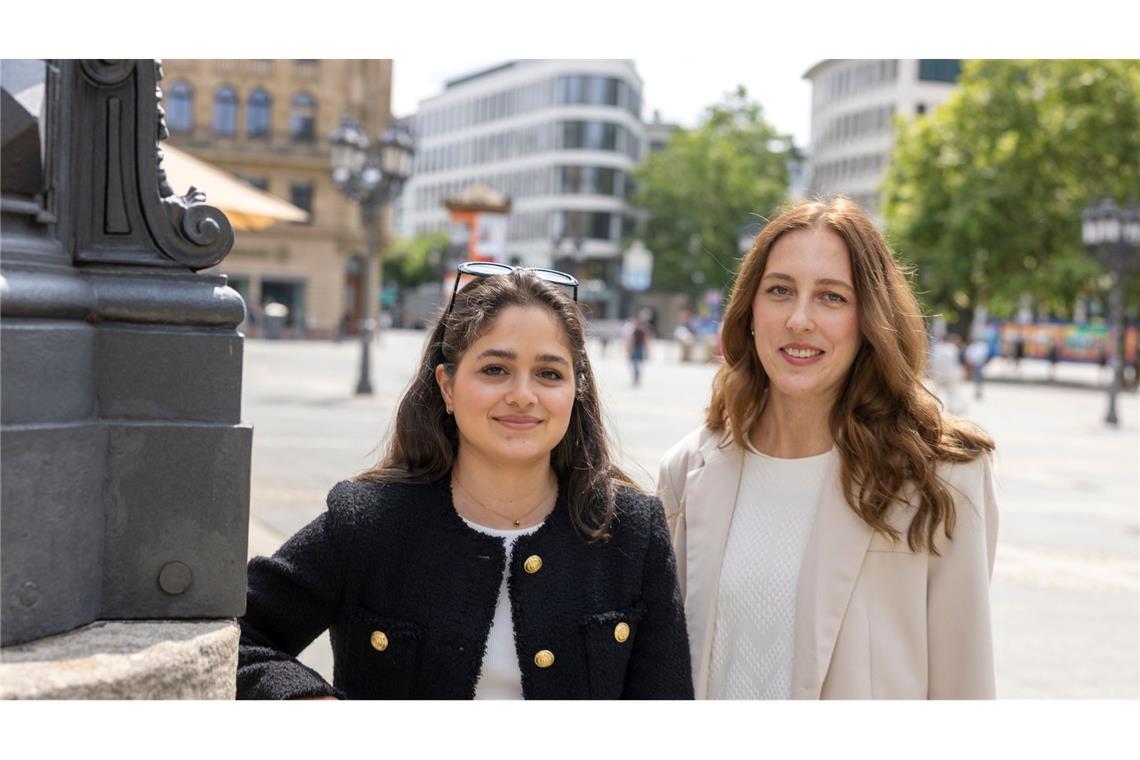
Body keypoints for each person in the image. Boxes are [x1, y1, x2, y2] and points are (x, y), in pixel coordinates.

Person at [238, 262, 693, 699]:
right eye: (495, 369)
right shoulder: (369, 523)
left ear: (576, 391)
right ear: (448, 386)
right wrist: (307, 701)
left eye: (549, 374)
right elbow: (238, 633)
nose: (522, 395)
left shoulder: (633, 530)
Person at [658, 198, 998, 700]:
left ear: (870, 320)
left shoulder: (942, 477)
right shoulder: (687, 469)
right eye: (779, 291)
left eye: (832, 297)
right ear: (750, 309)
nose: (799, 319)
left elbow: (963, 687)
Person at [931, 332, 965, 414]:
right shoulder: (953, 348)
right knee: (952, 392)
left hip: (939, 373)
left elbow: (935, 362)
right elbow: (956, 362)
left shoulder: (938, 348)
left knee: (936, 391)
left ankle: (934, 406)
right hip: (951, 373)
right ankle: (952, 407)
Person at [623, 309, 653, 387]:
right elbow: (646, 340)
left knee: (635, 363)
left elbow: (632, 339)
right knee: (637, 363)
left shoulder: (637, 328)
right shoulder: (643, 328)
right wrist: (648, 350)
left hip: (636, 348)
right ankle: (637, 377)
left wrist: (629, 347)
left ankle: (636, 377)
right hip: (639, 348)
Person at [964, 336, 991, 401]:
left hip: (980, 364)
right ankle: (977, 390)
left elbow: (984, 355)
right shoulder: (972, 347)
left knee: (979, 378)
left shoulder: (981, 346)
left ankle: (979, 391)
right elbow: (968, 355)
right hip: (974, 364)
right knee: (976, 378)